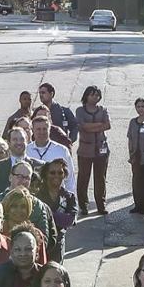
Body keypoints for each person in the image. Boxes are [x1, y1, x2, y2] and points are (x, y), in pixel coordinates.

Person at [73, 87, 111, 216]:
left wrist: (91, 126)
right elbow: (82, 126)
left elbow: (108, 125)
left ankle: (101, 204)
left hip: (101, 149)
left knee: (100, 178)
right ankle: (83, 205)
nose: (95, 98)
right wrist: (99, 125)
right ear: (86, 96)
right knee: (83, 177)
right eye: (92, 95)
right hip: (85, 150)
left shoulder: (103, 110)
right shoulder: (80, 110)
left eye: (97, 95)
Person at [34, 157, 75, 237]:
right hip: (40, 238)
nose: (56, 175)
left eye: (60, 173)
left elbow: (69, 220)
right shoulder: (37, 195)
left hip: (59, 240)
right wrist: (59, 217)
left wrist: (46, 214)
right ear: (45, 174)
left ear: (64, 175)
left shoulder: (69, 196)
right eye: (52, 173)